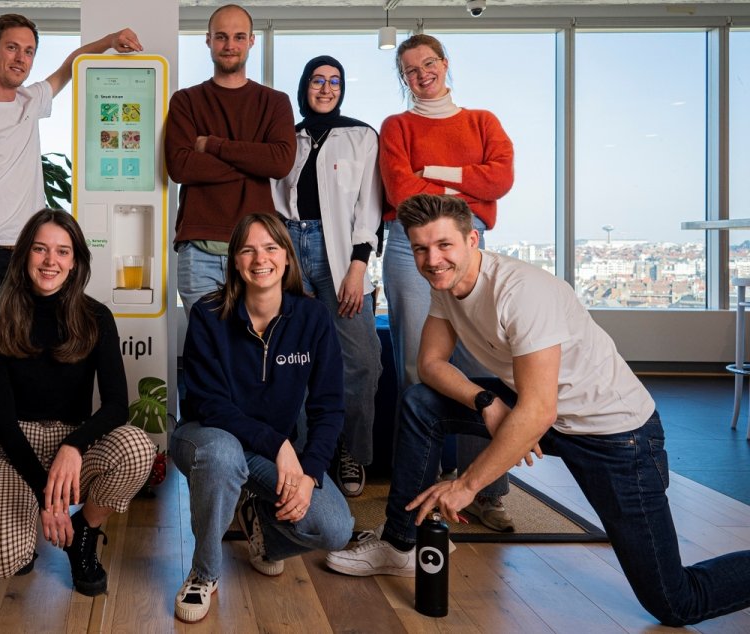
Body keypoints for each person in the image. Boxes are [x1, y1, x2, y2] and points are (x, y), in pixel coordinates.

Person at [326, 194, 750, 627]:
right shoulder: (447, 285)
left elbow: (538, 410)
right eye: (421, 249)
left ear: (472, 240)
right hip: (543, 410)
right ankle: (400, 544)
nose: (432, 260)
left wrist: (467, 485)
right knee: (422, 403)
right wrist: (487, 403)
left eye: (444, 245)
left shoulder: (521, 292)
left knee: (675, 603)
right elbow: (431, 365)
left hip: (615, 436)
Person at [0, 14, 142, 412]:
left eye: (29, 52)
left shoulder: (31, 101)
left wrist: (112, 38)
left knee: (28, 359)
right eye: (12, 48)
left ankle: (31, 441)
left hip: (28, 256)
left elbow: (70, 66)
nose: (21, 58)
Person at [172, 213, 353, 623]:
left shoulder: (312, 318)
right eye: (248, 250)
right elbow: (211, 404)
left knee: (334, 527)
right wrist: (280, 444)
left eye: (271, 248)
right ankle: (204, 573)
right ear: (235, 261)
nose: (260, 259)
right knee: (222, 454)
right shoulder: (208, 314)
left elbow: (328, 407)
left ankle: (264, 530)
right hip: (206, 437)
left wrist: (310, 472)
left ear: (287, 257)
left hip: (267, 454)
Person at [0, 209, 155, 597]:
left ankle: (84, 531)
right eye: (40, 249)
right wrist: (47, 500)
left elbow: (117, 406)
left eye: (62, 251)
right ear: (24, 255)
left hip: (74, 444)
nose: (50, 261)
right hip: (14, 446)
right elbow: (4, 423)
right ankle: (19, 522)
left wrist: (73, 446)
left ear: (75, 261)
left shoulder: (96, 316)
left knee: (138, 448)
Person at [378, 34, 516, 531]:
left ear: (445, 63)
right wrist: (464, 185)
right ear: (404, 78)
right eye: (410, 70)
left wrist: (433, 172)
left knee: (481, 364)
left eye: (428, 63)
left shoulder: (483, 122)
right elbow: (401, 189)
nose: (422, 75)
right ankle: (422, 484)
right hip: (407, 243)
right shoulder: (396, 126)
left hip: (468, 241)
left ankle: (485, 490)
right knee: (417, 365)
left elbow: (499, 181)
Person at [271, 54, 383, 498]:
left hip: (341, 257)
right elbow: (274, 201)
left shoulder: (361, 135)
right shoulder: (289, 137)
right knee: (293, 357)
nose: (325, 88)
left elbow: (369, 208)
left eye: (334, 81)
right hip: (291, 249)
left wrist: (358, 266)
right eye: (317, 80)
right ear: (305, 86)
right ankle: (299, 454)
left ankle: (352, 451)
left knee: (362, 360)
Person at [165, 3, 296, 314]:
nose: (230, 45)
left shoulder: (275, 102)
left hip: (258, 250)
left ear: (251, 41)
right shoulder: (186, 101)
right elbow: (181, 167)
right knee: (206, 341)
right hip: (199, 249)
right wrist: (254, 159)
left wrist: (213, 145)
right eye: (221, 36)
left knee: (255, 339)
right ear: (208, 40)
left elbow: (279, 163)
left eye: (239, 37)